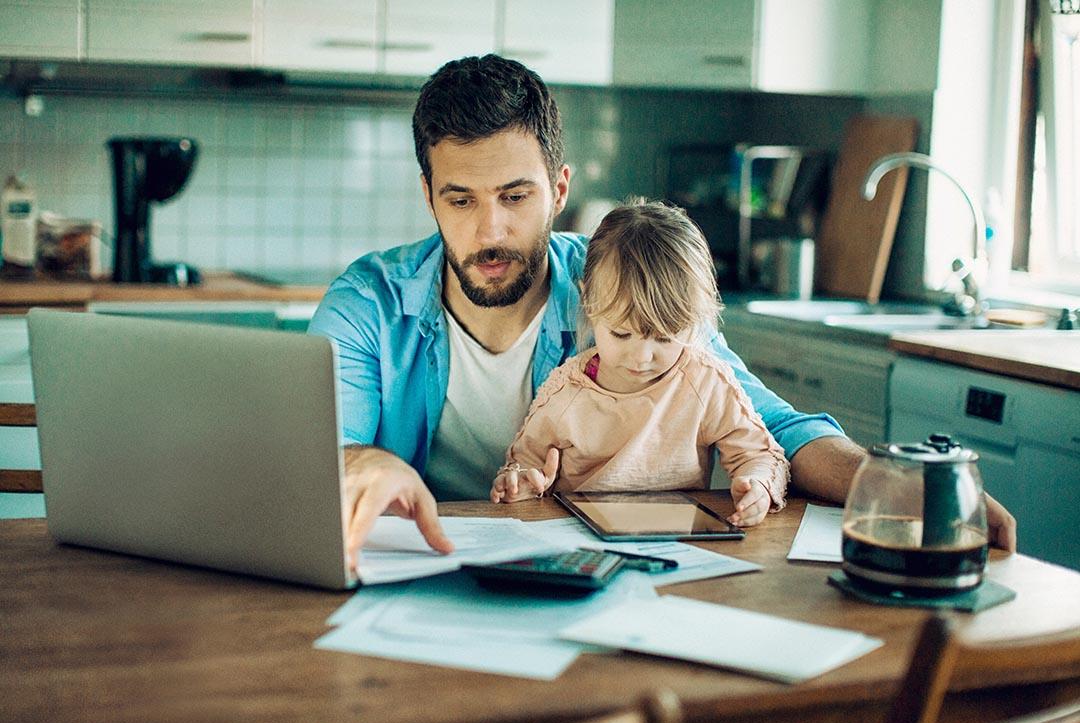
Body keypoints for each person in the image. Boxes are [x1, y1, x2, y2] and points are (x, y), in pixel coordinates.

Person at [307, 54, 1017, 563]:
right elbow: (322, 449)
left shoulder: (627, 282)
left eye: (515, 197)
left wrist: (896, 487)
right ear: (428, 194)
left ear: (558, 189)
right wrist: (362, 462)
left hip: (601, 581)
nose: (490, 230)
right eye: (460, 199)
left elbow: (777, 427)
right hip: (425, 570)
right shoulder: (369, 301)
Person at [491, 200, 788, 528]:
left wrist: (757, 485)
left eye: (664, 338)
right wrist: (520, 484)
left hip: (676, 540)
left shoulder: (705, 382)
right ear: (588, 302)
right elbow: (522, 464)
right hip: (579, 537)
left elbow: (760, 455)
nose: (642, 357)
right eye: (621, 334)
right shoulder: (566, 391)